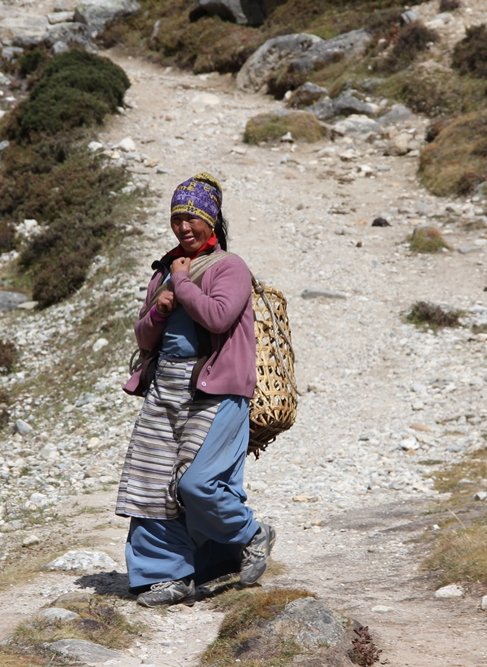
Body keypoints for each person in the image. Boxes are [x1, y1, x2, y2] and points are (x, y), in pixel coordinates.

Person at [117, 173, 275, 607]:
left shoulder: (229, 267)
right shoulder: (165, 271)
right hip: (165, 389)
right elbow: (145, 339)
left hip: (217, 391)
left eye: (193, 218)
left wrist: (181, 286)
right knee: (151, 485)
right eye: (177, 219)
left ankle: (252, 534)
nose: (184, 227)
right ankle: (169, 576)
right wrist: (160, 308)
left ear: (212, 219)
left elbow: (220, 317)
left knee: (196, 483)